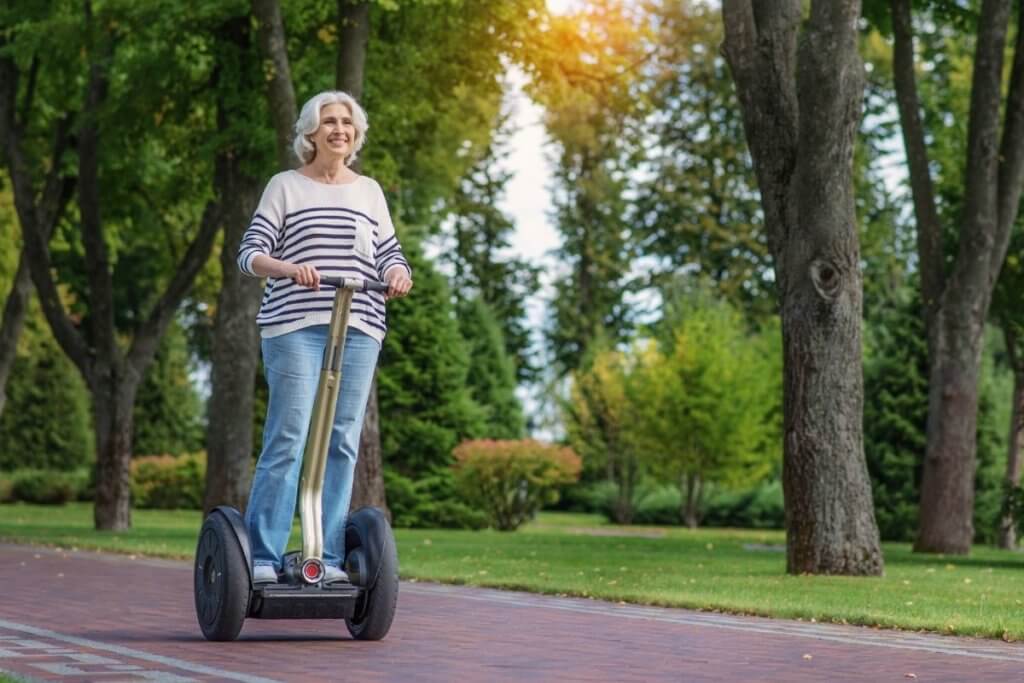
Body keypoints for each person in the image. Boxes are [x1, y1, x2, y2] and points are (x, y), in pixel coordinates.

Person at [237, 91, 413, 584]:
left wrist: (399, 273)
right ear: (310, 133)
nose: (340, 129)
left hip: (359, 327)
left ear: (356, 135)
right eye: (329, 121)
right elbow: (249, 254)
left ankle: (328, 558)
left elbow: (390, 254)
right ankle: (265, 558)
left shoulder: (369, 191)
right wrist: (289, 268)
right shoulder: (286, 186)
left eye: (348, 122)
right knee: (289, 437)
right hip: (294, 325)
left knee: (342, 442)